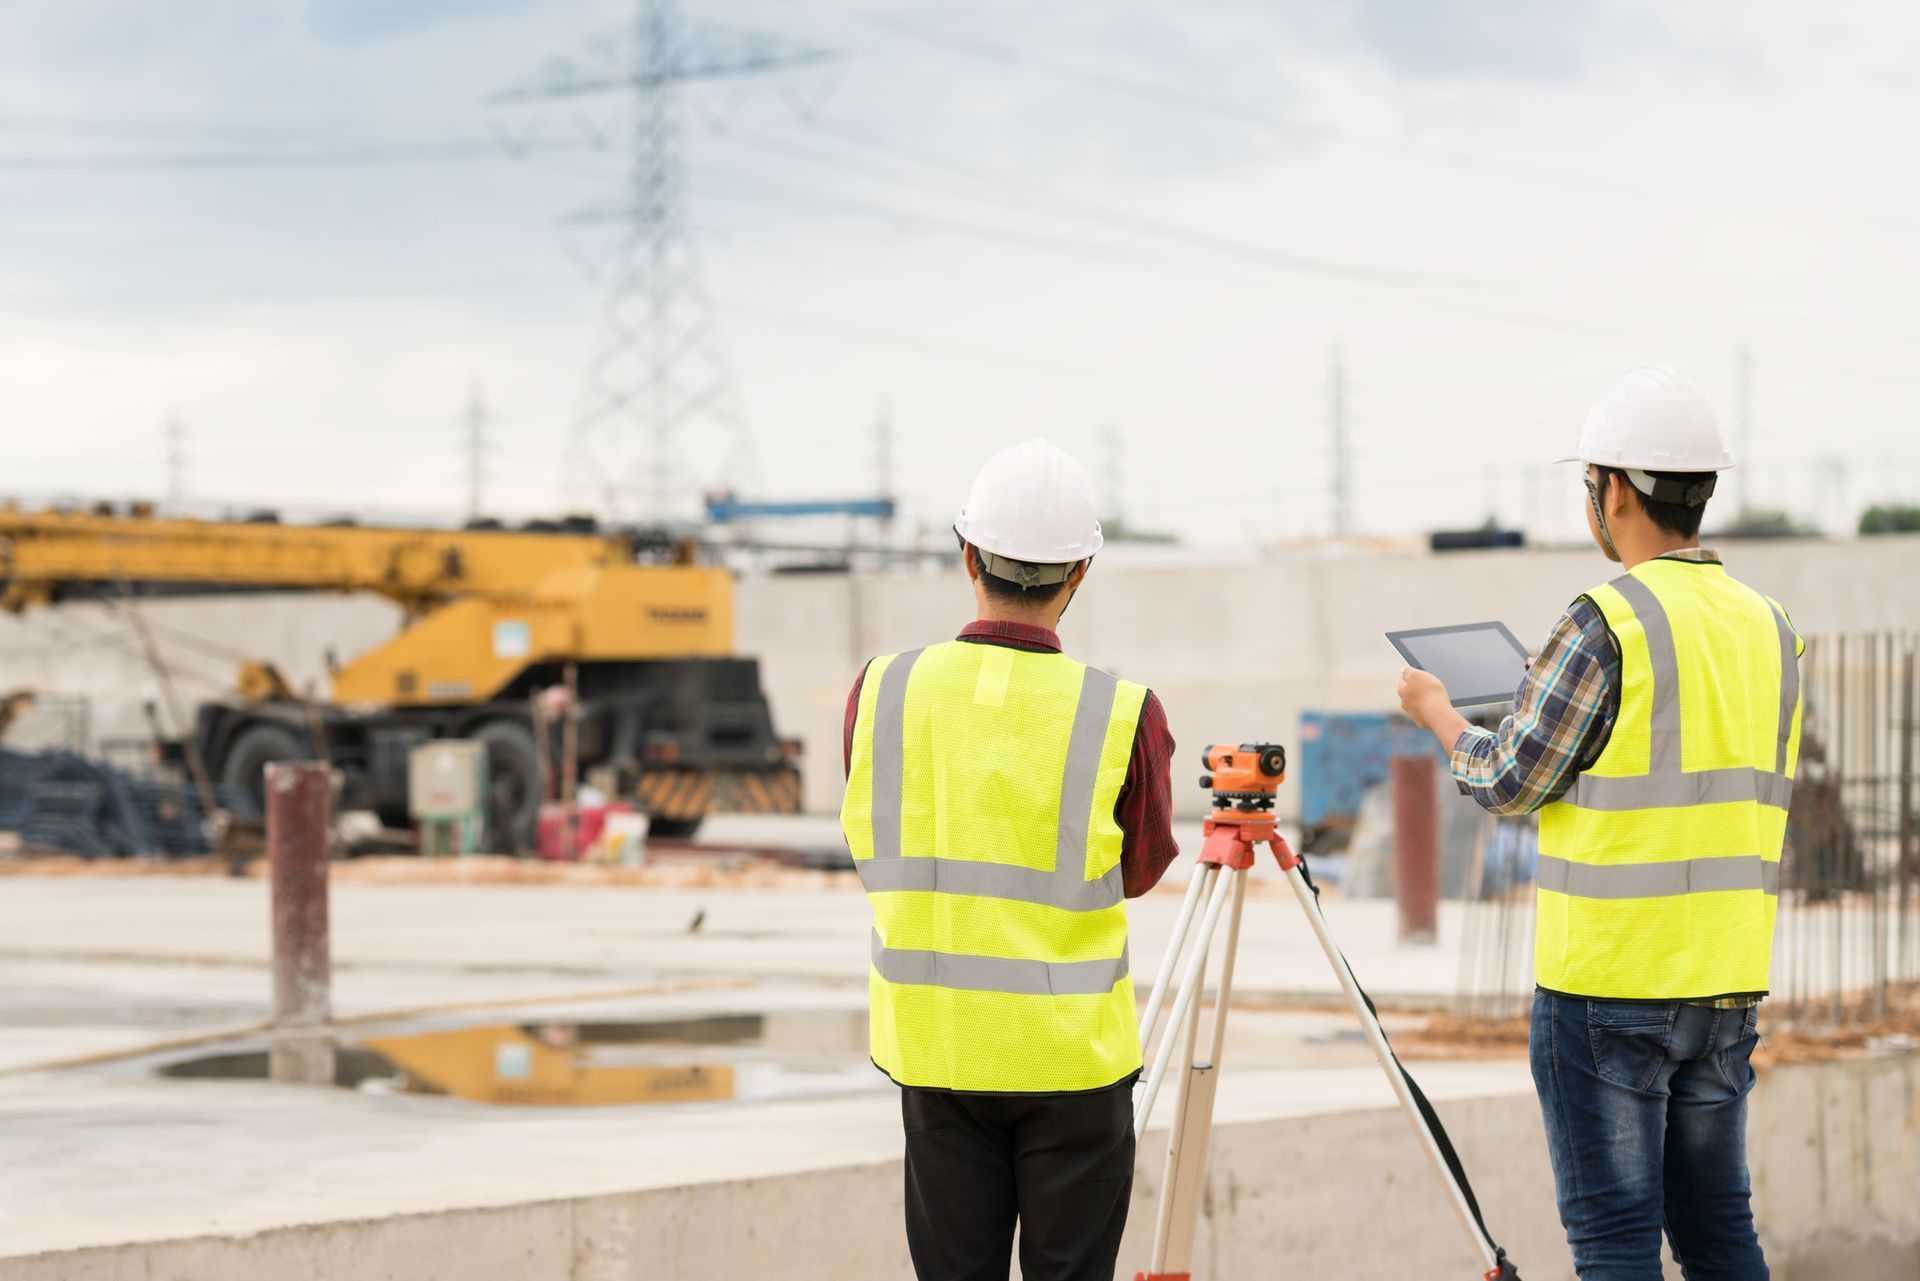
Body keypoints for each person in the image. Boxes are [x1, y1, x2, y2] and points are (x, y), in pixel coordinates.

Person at [1395, 366, 1802, 1280]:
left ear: (1612, 488)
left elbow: (1508, 778)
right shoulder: (1771, 625)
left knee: (1615, 1241)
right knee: (1719, 1233)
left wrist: (1440, 714)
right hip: (1726, 980)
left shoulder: (1606, 620)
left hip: (1610, 986)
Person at [840, 438, 1180, 1281]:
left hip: (940, 1051)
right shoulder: (1122, 712)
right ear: (1080, 572)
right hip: (1073, 1063)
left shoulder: (882, 689)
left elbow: (870, 843)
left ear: (968, 556)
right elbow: (1138, 869)